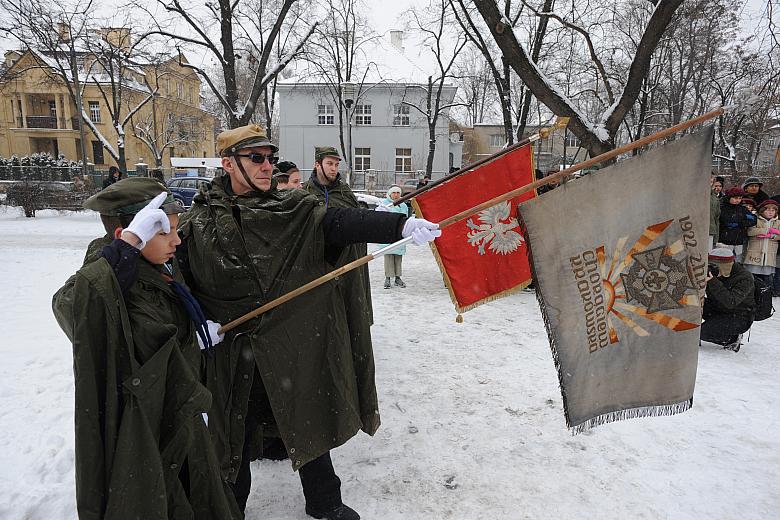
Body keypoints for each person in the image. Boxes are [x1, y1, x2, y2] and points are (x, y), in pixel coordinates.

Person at [176, 125, 440, 520]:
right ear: (228, 164)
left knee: (306, 417)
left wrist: (397, 227)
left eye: (269, 158)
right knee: (235, 434)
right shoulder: (198, 221)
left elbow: (337, 223)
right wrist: (198, 323)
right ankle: (229, 509)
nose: (268, 167)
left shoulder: (291, 210)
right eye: (257, 159)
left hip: (288, 342)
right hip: (231, 353)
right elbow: (177, 279)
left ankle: (324, 501)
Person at [52, 177, 241, 519]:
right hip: (148, 430)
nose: (177, 240)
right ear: (128, 233)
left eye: (175, 229)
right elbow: (71, 308)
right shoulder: (109, 276)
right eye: (163, 232)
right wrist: (126, 247)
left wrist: (194, 335)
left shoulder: (161, 267)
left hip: (181, 416)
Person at [701, 247, 755, 351]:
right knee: (694, 303)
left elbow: (731, 302)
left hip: (740, 316)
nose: (711, 269)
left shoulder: (744, 277)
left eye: (714, 266)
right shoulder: (715, 273)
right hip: (719, 309)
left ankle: (733, 337)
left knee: (703, 333)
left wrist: (713, 282)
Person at [378, 185, 410, 289]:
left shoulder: (403, 205)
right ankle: (388, 278)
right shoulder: (385, 204)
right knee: (388, 256)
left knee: (398, 257)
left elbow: (406, 219)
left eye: (398, 193)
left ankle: (397, 277)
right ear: (390, 194)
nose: (396, 195)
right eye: (394, 193)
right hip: (388, 234)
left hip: (399, 234)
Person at [743, 199, 780, 286]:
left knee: (767, 279)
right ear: (762, 210)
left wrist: (771, 236)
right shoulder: (755, 219)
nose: (770, 212)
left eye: (773, 210)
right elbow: (750, 231)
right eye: (768, 210)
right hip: (754, 254)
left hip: (769, 255)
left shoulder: (778, 222)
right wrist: (767, 230)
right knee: (752, 277)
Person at [718, 187, 756, 257]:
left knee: (737, 262)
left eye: (740, 198)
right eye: (735, 198)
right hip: (724, 240)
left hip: (739, 240)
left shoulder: (742, 209)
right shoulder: (722, 208)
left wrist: (741, 223)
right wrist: (740, 219)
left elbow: (753, 219)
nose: (738, 200)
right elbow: (726, 220)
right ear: (729, 197)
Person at [709, 174, 721, 250]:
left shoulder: (715, 198)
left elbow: (716, 218)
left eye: (711, 182)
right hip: (693, 230)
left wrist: (716, 238)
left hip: (710, 231)